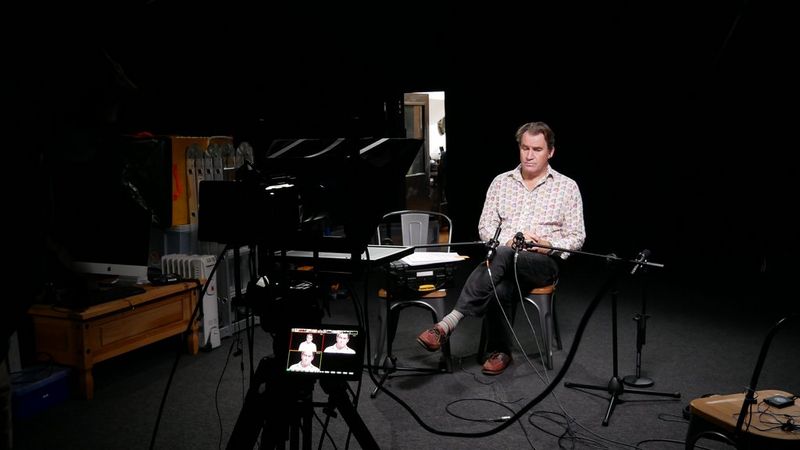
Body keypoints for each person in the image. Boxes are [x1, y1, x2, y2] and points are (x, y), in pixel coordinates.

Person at [417, 121, 585, 375]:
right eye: (525, 148)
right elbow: (485, 226)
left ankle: (449, 323)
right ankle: (500, 352)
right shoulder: (501, 182)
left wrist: (548, 245)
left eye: (537, 149)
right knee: (501, 283)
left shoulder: (567, 187)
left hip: (542, 263)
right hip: (503, 260)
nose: (529, 155)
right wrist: (507, 241)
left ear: (550, 152)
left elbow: (577, 237)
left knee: (503, 256)